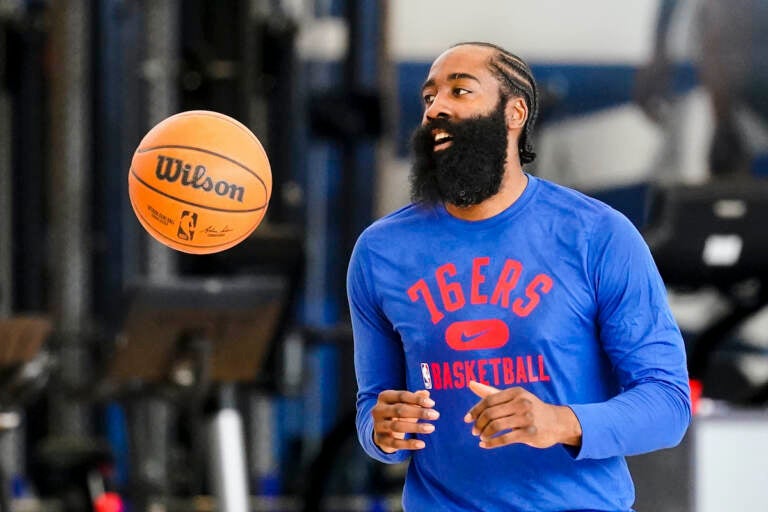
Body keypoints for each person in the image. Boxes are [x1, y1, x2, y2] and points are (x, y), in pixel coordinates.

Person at [347, 41, 691, 511]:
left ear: (514, 113)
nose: (436, 109)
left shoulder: (597, 235)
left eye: (460, 91)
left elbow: (668, 404)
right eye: (428, 98)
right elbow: (372, 408)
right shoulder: (380, 251)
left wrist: (559, 421)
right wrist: (381, 431)